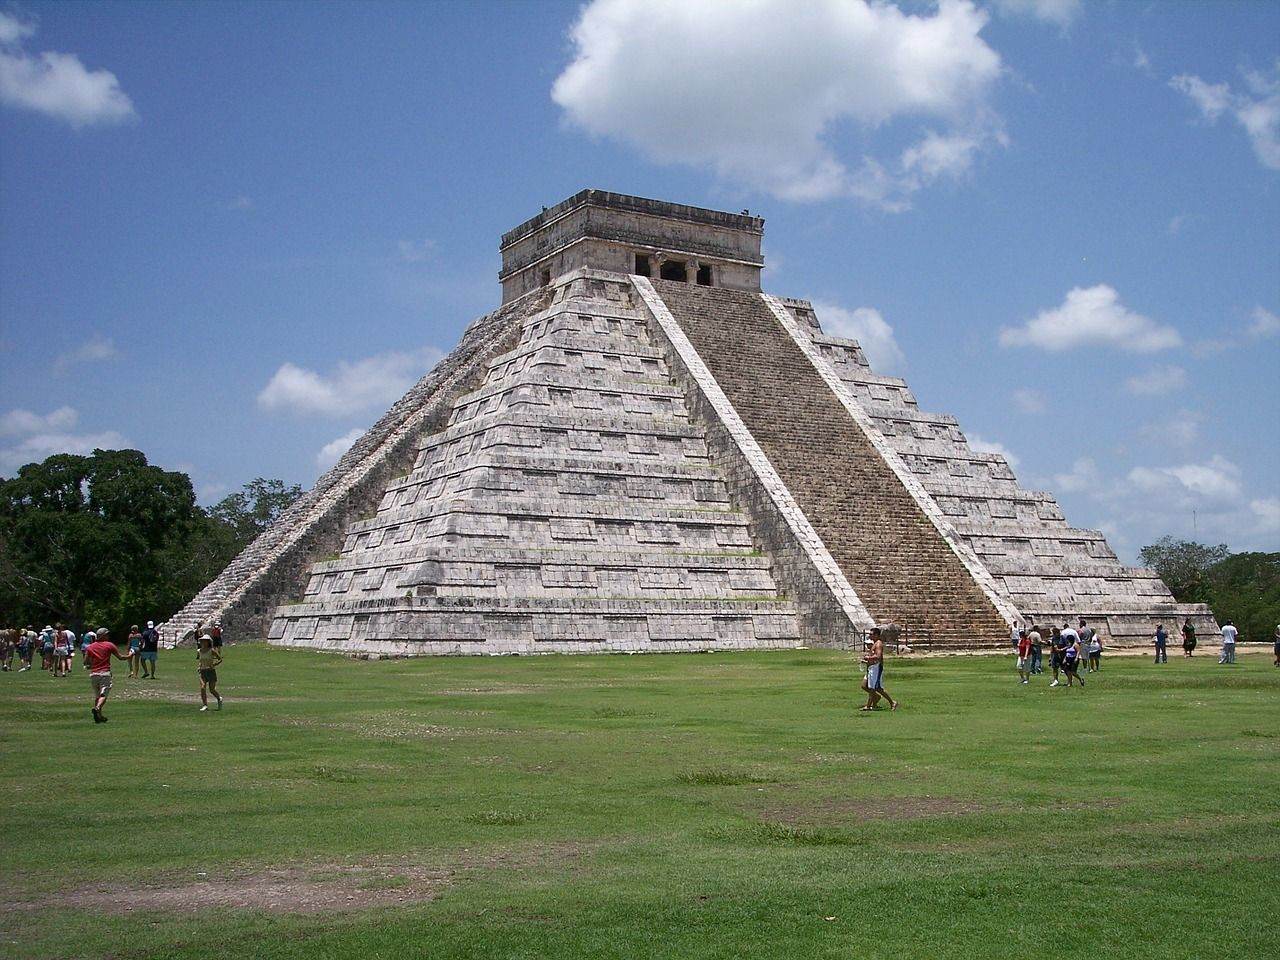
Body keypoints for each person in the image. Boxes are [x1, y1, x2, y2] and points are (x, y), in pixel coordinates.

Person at [83, 628, 129, 723]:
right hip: (105, 673)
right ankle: (97, 708)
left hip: (94, 674)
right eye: (107, 635)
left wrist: (91, 664)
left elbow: (85, 662)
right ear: (103, 636)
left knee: (97, 696)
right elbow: (120, 657)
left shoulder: (90, 647)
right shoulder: (109, 645)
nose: (108, 636)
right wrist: (130, 655)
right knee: (103, 695)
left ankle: (99, 716)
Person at [860, 627, 898, 712]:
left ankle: (870, 705)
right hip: (871, 667)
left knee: (874, 688)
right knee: (865, 685)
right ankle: (877, 699)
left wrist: (868, 658)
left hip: (876, 668)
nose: (869, 636)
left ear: (876, 635)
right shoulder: (875, 643)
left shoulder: (878, 644)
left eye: (871, 634)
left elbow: (878, 656)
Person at [196, 634, 223, 712]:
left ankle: (219, 698)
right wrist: (199, 666)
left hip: (211, 671)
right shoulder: (199, 651)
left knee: (212, 690)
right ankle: (205, 705)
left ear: (208, 642)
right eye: (202, 641)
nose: (203, 642)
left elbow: (220, 659)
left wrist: (214, 664)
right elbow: (200, 661)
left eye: (205, 641)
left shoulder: (211, 651)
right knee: (202, 687)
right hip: (202, 671)